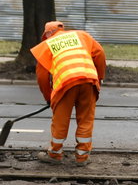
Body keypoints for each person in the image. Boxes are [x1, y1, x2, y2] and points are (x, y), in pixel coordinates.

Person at [30, 21, 106, 167]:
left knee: (60, 120)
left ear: (47, 34)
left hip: (66, 84)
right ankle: (82, 157)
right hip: (89, 80)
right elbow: (100, 53)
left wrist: (48, 97)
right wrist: (100, 77)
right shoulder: (82, 35)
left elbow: (42, 76)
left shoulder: (47, 43)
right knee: (85, 119)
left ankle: (55, 154)